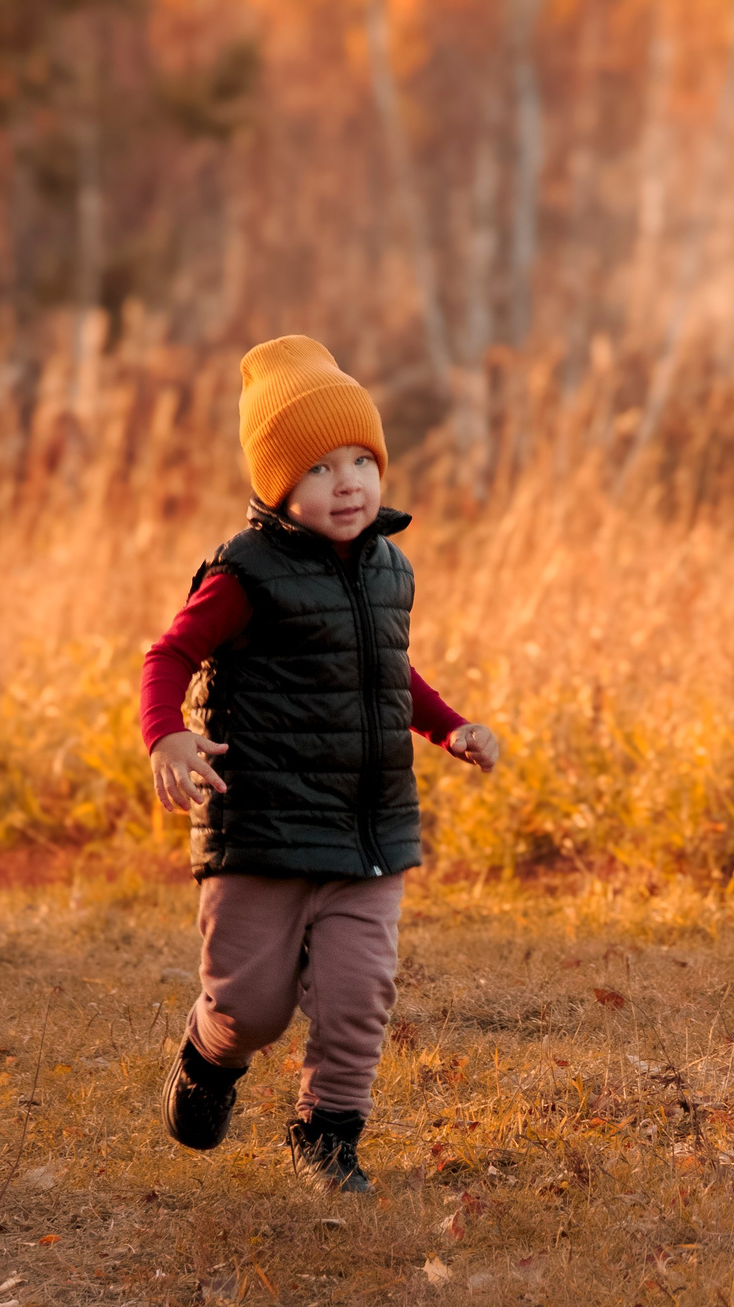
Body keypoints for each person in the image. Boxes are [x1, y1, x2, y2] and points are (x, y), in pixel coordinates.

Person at [139, 335, 500, 1192]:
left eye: (360, 463)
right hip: (261, 826)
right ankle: (209, 1055)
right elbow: (168, 655)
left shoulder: (390, 570)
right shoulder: (244, 576)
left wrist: (449, 728)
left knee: (358, 994)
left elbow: (385, 673)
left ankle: (327, 1133)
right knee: (251, 1006)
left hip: (367, 826)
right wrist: (167, 734)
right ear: (277, 487)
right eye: (319, 470)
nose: (347, 485)